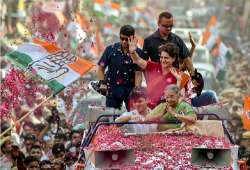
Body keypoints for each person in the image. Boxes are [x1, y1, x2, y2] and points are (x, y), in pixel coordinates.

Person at [129, 39, 190, 108]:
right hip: (148, 109)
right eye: (161, 57)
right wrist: (132, 52)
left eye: (166, 58)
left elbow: (180, 98)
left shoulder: (180, 75)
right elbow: (138, 60)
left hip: (165, 112)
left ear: (173, 58)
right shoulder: (153, 66)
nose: (163, 60)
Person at [96, 25, 144, 110]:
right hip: (112, 88)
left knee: (134, 116)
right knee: (111, 117)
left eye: (127, 39)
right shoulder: (110, 49)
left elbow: (138, 74)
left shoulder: (138, 53)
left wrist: (137, 91)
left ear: (133, 38)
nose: (124, 42)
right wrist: (102, 83)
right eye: (122, 39)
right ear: (119, 36)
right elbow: (100, 68)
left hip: (130, 89)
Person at [143, 11, 194, 76]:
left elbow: (187, 60)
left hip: (175, 81)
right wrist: (149, 81)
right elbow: (143, 64)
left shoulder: (177, 40)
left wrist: (194, 77)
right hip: (157, 80)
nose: (169, 28)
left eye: (171, 26)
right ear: (158, 24)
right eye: (165, 26)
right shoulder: (149, 41)